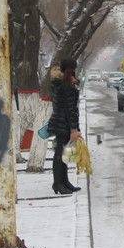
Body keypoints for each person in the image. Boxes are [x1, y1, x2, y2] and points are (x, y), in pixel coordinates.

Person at [48, 58, 82, 194]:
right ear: (70, 69)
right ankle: (58, 184)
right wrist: (74, 128)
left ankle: (64, 182)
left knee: (64, 154)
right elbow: (70, 109)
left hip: (61, 123)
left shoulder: (61, 84)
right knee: (60, 155)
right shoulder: (65, 86)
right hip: (64, 124)